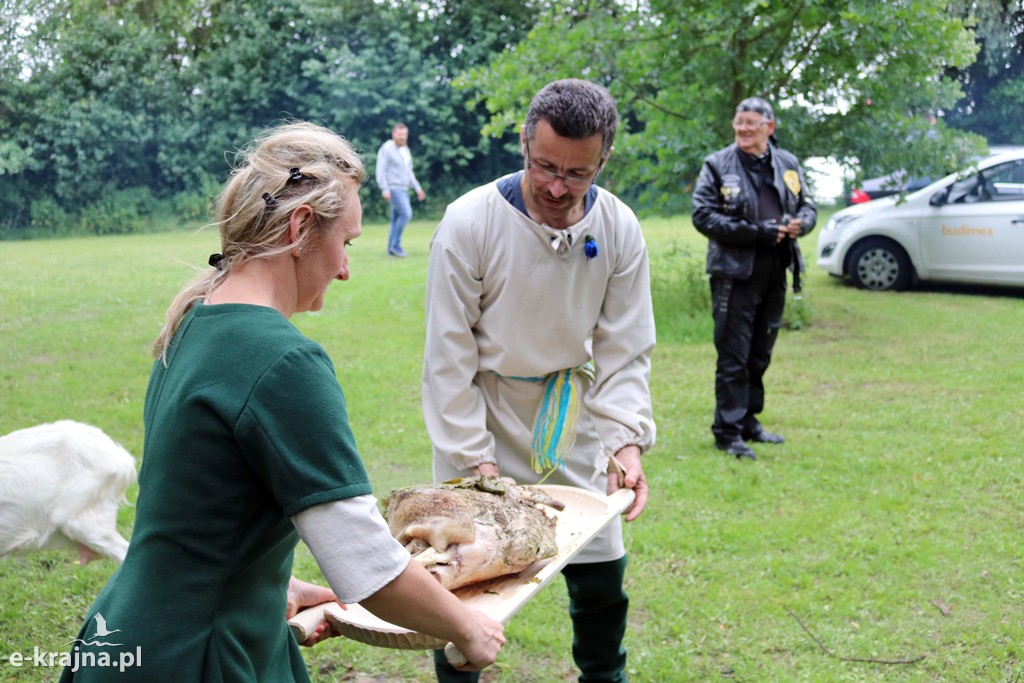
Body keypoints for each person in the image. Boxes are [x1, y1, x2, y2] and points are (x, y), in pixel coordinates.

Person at [60, 122, 503, 682]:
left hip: (130, 636)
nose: (345, 268)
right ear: (300, 228)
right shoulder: (285, 363)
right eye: (346, 242)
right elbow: (367, 565)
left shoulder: (193, 322)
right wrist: (466, 627)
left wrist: (265, 581)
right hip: (196, 657)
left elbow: (197, 512)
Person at [422, 79, 655, 683]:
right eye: (543, 165)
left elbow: (624, 349)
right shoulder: (469, 223)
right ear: (524, 143)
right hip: (484, 417)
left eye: (577, 174)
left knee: (601, 580)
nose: (557, 186)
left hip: (569, 419)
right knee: (467, 591)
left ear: (603, 161)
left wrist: (624, 441)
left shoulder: (621, 228)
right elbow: (449, 358)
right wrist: (475, 466)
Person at [691, 97, 817, 460]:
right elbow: (703, 216)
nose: (743, 129)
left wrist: (801, 224)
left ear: (769, 127)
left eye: (751, 123)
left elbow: (807, 206)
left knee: (760, 353)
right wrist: (756, 231)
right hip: (734, 273)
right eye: (739, 122)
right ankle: (727, 432)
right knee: (734, 354)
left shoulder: (787, 163)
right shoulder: (718, 164)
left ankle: (749, 422)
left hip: (776, 271)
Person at [375, 122, 425, 257]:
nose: (402, 137)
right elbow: (381, 170)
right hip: (393, 188)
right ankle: (396, 246)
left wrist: (417, 188)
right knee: (406, 214)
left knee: (396, 218)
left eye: (404, 135)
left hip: (404, 189)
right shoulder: (387, 148)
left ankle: (391, 248)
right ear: (393, 134)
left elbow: (409, 172)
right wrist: (384, 189)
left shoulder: (405, 150)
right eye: (399, 134)